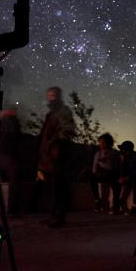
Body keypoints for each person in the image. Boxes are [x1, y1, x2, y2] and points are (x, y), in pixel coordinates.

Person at [36, 86, 75, 227]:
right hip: (49, 158)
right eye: (49, 95)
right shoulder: (51, 114)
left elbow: (68, 131)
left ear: (58, 96)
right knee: (51, 189)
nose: (50, 98)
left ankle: (59, 218)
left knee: (58, 188)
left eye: (53, 95)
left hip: (58, 157)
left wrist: (55, 141)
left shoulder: (63, 111)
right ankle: (53, 215)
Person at [89, 133, 120, 214]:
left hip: (111, 173)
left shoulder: (114, 153)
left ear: (109, 143)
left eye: (103, 142)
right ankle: (97, 201)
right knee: (92, 178)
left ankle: (115, 206)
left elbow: (116, 166)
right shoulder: (98, 154)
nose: (101, 144)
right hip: (101, 173)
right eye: (100, 142)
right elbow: (94, 166)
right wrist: (96, 173)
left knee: (115, 183)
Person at [118, 140, 136, 215]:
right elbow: (123, 172)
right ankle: (122, 206)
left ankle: (135, 206)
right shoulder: (126, 158)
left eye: (123, 149)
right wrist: (122, 163)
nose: (121, 151)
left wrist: (127, 178)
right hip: (131, 178)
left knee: (134, 181)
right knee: (121, 182)